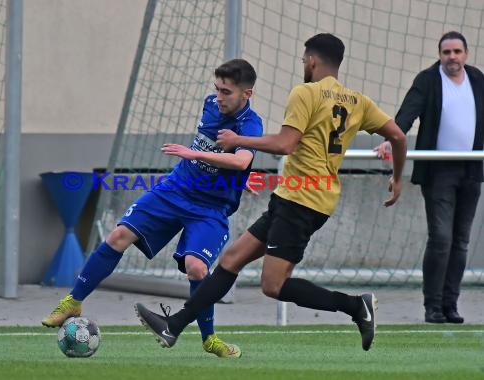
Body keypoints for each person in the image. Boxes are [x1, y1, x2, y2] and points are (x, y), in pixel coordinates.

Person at [134, 33, 407, 352]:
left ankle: (355, 306)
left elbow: (285, 144)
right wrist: (398, 178)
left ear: (311, 60)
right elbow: (399, 137)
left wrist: (240, 141)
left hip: (303, 201)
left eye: (304, 59)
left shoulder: (306, 93)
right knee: (232, 259)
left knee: (273, 285)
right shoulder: (358, 101)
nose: (304, 64)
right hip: (296, 197)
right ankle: (174, 327)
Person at [41, 58, 264, 358]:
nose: (219, 97)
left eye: (227, 92)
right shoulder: (210, 104)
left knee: (196, 268)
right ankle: (73, 301)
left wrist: (193, 154)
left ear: (246, 94)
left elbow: (241, 161)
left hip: (211, 207)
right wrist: (217, 166)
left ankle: (209, 339)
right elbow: (224, 156)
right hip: (175, 190)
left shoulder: (251, 123)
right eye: (217, 89)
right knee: (118, 236)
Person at [374, 31, 484, 324]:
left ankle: (451, 305)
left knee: (461, 241)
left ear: (466, 54)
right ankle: (432, 306)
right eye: (447, 52)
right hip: (439, 171)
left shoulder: (477, 79)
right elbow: (408, 112)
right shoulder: (428, 80)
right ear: (440, 55)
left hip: (472, 170)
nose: (452, 58)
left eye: (457, 52)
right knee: (441, 238)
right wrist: (390, 139)